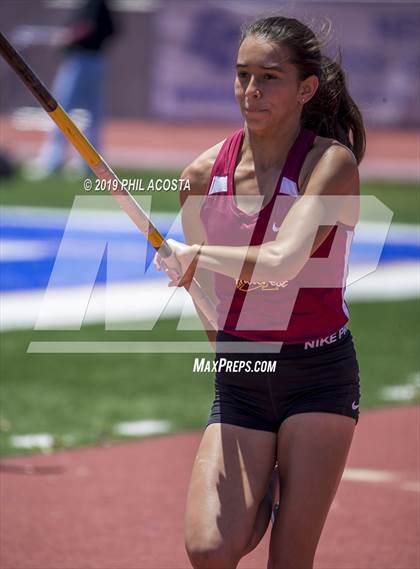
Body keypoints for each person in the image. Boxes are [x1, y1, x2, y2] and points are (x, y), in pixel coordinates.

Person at [155, 16, 365, 569]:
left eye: (269, 77)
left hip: (318, 376)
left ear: (306, 88)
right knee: (208, 549)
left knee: (290, 560)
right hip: (243, 377)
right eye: (243, 75)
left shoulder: (330, 165)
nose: (251, 91)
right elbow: (209, 297)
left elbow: (284, 263)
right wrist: (225, 351)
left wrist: (194, 255)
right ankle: (260, 493)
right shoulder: (201, 177)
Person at [26, 0, 115, 179]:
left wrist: (68, 38)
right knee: (91, 112)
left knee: (59, 108)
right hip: (96, 61)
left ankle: (53, 159)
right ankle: (90, 163)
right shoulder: (99, 5)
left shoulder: (94, 5)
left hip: (82, 60)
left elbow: (88, 27)